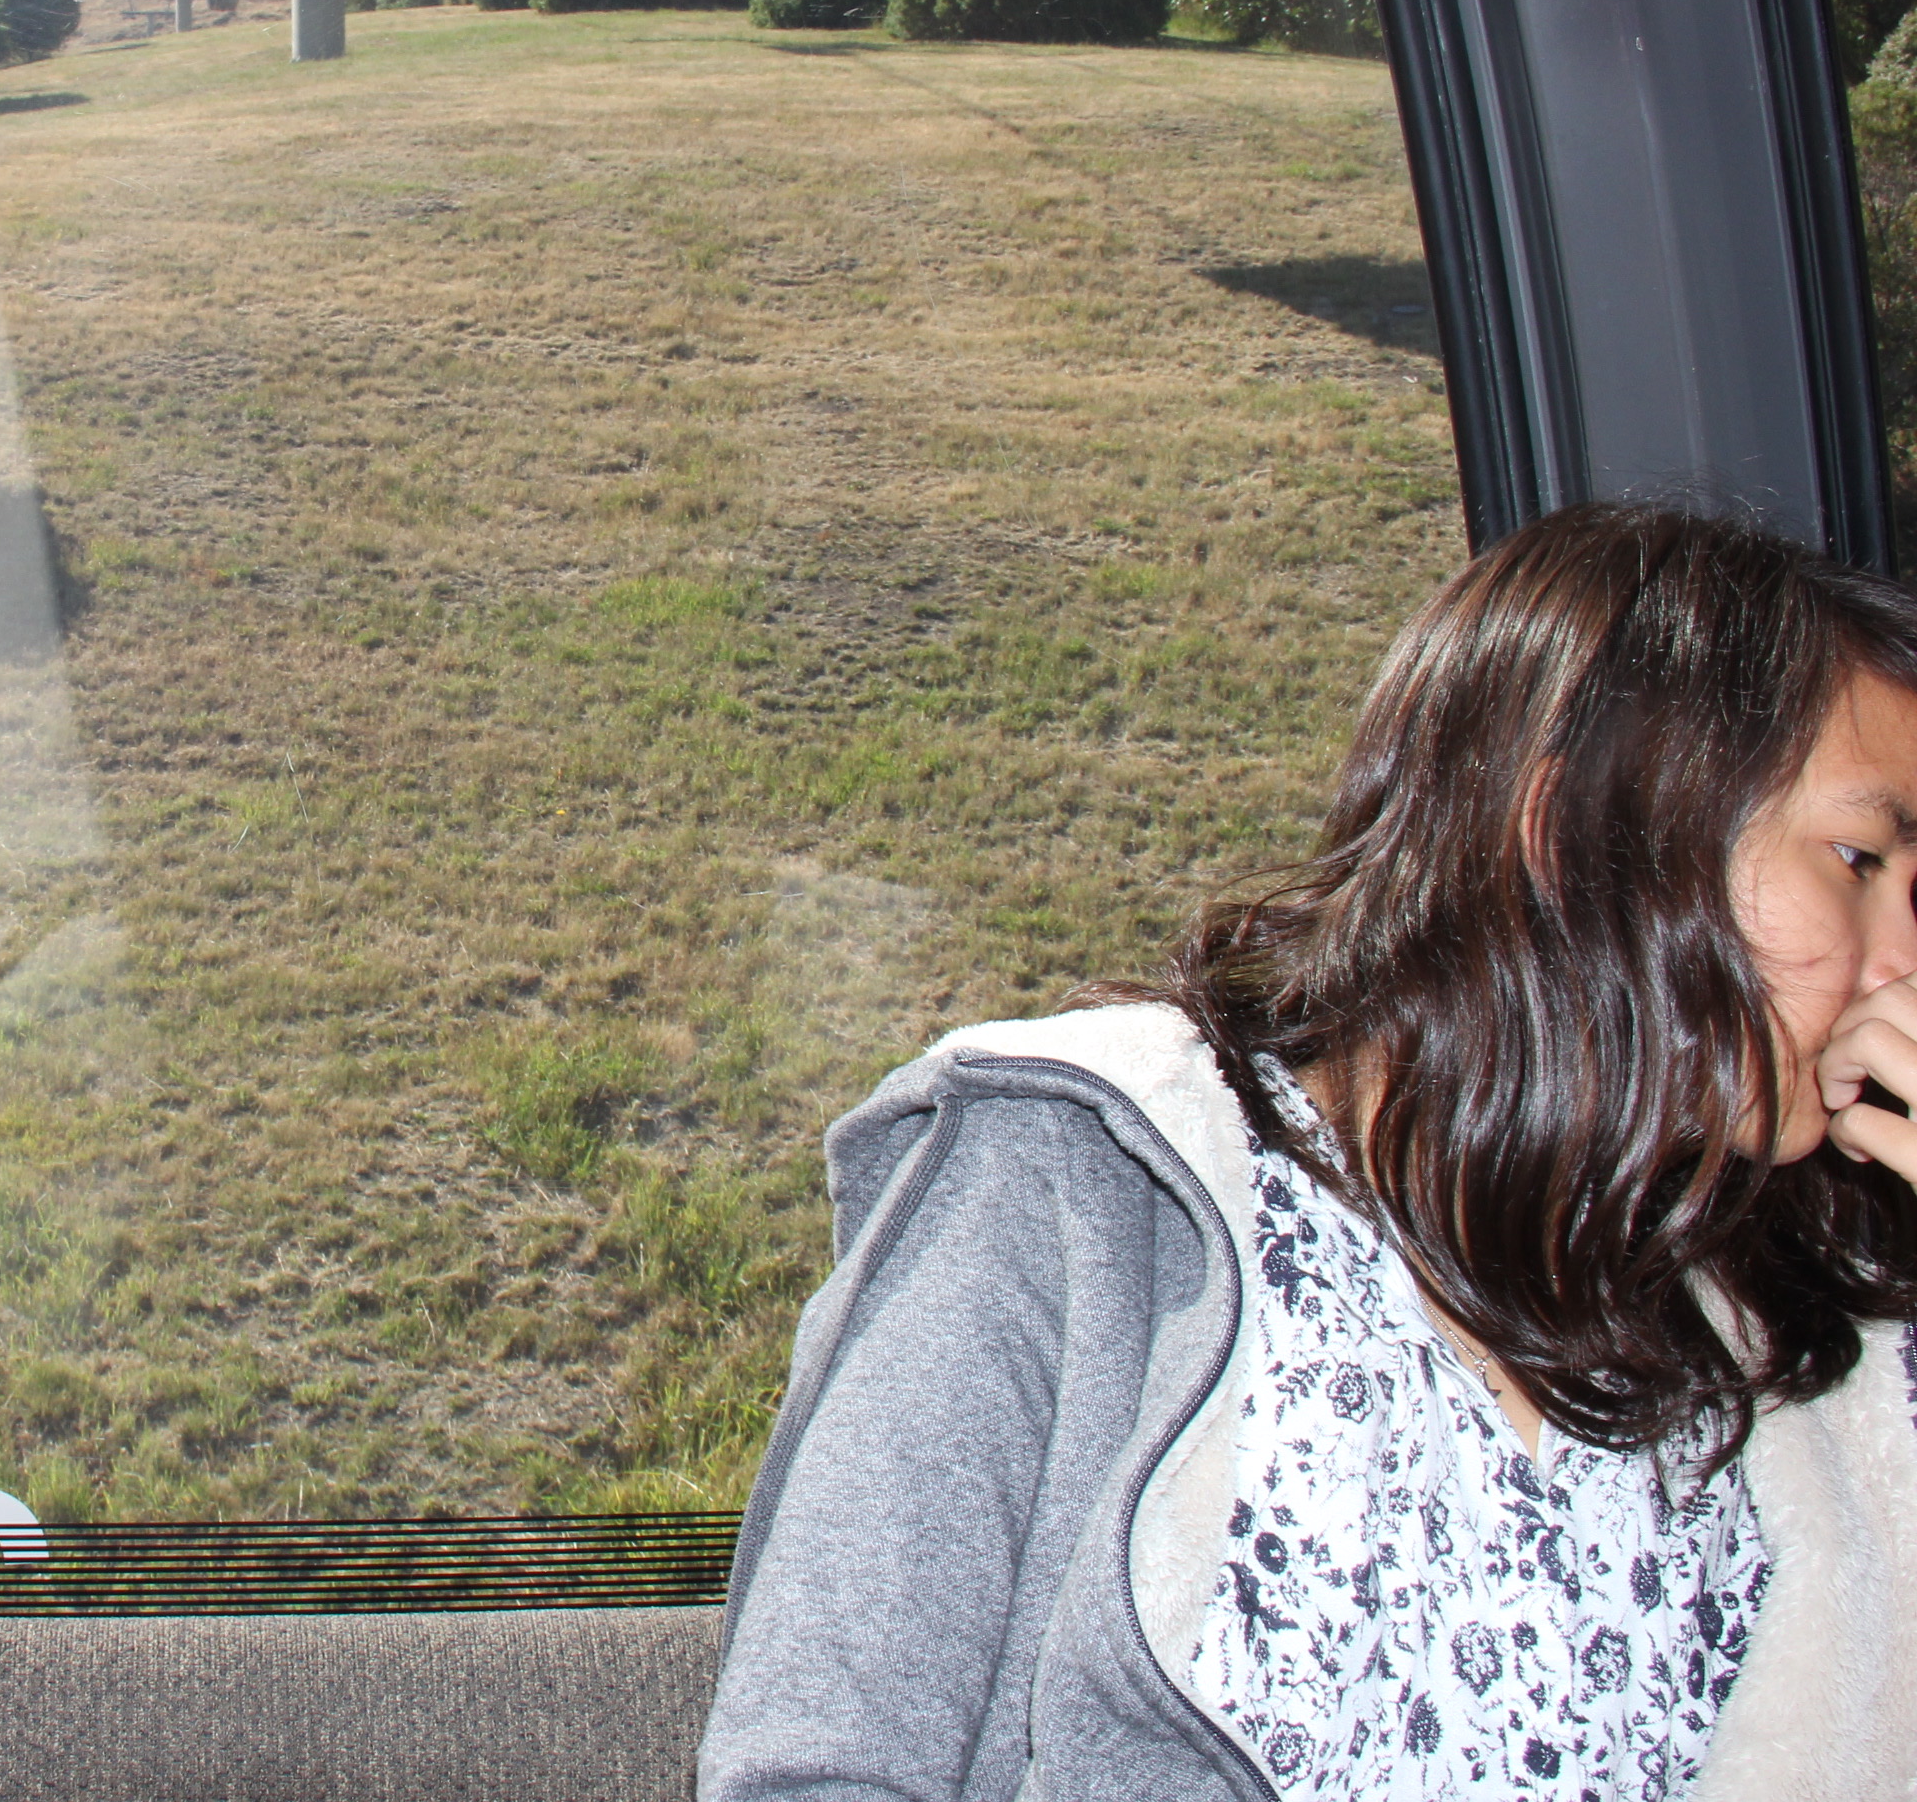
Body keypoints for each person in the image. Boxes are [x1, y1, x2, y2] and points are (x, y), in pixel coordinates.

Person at [698, 501, 1917, 1802]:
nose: (1901, 958)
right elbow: (824, 1768)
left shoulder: (1810, 1347)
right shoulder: (1088, 1181)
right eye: (1858, 860)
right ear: (1569, 831)